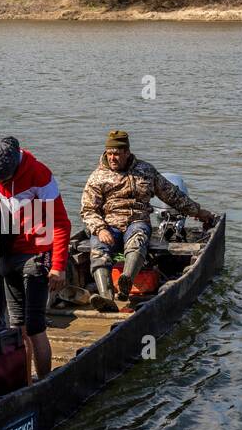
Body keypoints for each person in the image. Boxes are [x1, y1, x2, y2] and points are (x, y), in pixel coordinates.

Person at [81, 130, 218, 307]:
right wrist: (100, 229)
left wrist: (199, 212)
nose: (113, 158)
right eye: (109, 153)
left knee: (137, 241)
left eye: (117, 153)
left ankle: (126, 281)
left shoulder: (146, 171)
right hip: (109, 225)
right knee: (99, 250)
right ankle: (107, 297)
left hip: (136, 222)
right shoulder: (97, 177)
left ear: (127, 152)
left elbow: (173, 196)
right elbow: (88, 210)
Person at [0, 136, 72, 380]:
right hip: (8, 255)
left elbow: (60, 223)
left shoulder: (40, 175)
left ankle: (45, 382)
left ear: (15, 167)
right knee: (17, 326)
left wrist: (58, 266)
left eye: (4, 180)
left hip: (36, 256)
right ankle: (24, 382)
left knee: (36, 325)